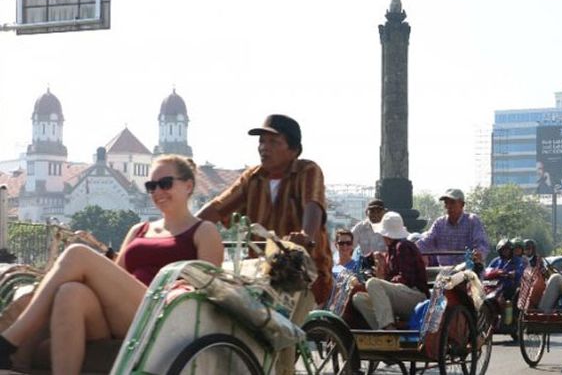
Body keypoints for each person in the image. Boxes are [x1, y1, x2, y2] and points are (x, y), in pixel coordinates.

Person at [0, 155, 224, 374]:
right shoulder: (139, 230)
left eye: (165, 183)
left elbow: (206, 294)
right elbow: (117, 277)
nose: (157, 191)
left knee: (78, 253)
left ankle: (10, 340)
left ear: (188, 185)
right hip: (122, 314)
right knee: (71, 292)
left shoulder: (203, 231)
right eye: (151, 186)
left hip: (163, 315)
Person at [195, 114, 331, 375]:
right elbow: (217, 207)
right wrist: (186, 228)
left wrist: (305, 235)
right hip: (259, 273)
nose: (263, 147)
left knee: (280, 334)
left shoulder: (307, 170)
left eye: (272, 140)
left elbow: (313, 206)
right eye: (261, 141)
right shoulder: (252, 178)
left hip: (304, 273)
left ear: (293, 149)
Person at [352, 212, 429, 330]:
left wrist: (383, 279)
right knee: (358, 298)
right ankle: (381, 329)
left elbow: (406, 279)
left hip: (416, 297)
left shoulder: (403, 247)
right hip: (401, 295)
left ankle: (388, 328)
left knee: (373, 283)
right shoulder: (390, 251)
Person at [416, 188, 490, 266]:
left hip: (468, 271)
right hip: (445, 272)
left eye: (452, 203)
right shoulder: (439, 223)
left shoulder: (472, 221)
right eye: (446, 203)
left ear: (462, 204)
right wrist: (413, 248)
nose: (448, 206)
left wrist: (478, 254)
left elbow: (482, 244)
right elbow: (426, 242)